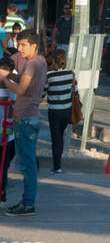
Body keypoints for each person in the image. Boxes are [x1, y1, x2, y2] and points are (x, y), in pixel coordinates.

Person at [0, 29, 47, 215]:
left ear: (34, 45)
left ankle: (28, 203)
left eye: (23, 45)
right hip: (31, 117)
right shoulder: (40, 61)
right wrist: (9, 75)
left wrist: (4, 79)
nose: (19, 48)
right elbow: (22, 81)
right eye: (18, 44)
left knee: (27, 165)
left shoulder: (31, 64)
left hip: (25, 118)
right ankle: (27, 202)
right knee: (28, 163)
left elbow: (20, 89)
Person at [45, 50, 76, 174]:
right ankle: (58, 164)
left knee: (55, 138)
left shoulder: (49, 76)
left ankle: (57, 166)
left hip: (54, 111)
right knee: (60, 137)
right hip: (67, 110)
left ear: (53, 61)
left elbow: (43, 91)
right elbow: (76, 91)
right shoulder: (71, 74)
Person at [0, 60, 16, 205]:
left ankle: (2, 193)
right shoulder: (14, 88)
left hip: (8, 135)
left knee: (3, 167)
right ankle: (2, 194)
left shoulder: (13, 88)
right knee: (3, 167)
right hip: (8, 135)